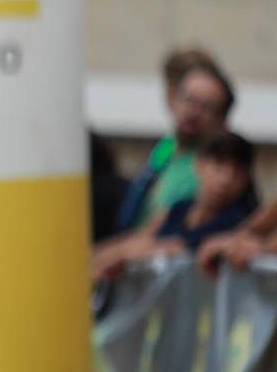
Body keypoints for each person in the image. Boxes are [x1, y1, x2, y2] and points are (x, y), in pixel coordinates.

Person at [94, 132, 257, 280]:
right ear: (199, 164)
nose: (225, 179)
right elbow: (141, 238)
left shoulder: (241, 223)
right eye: (219, 165)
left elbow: (181, 252)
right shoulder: (179, 208)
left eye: (237, 172)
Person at [112, 51, 234, 234]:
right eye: (188, 99)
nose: (193, 112)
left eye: (206, 107)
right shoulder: (169, 144)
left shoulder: (220, 167)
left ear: (222, 119)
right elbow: (142, 189)